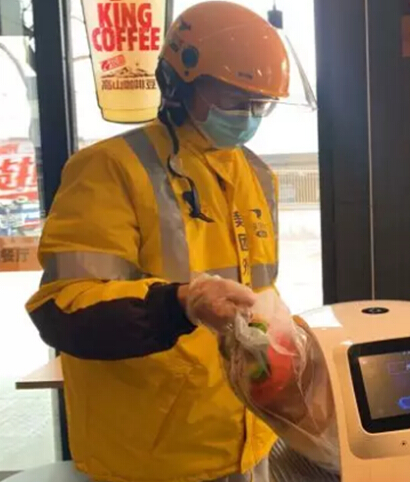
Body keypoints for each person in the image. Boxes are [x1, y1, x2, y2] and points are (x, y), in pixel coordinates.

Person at [25, 2, 292, 481]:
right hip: (152, 457)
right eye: (234, 99)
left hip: (249, 440)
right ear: (179, 83)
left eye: (260, 105)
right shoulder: (110, 169)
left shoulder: (256, 174)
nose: (248, 116)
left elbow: (262, 294)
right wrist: (178, 305)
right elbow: (61, 310)